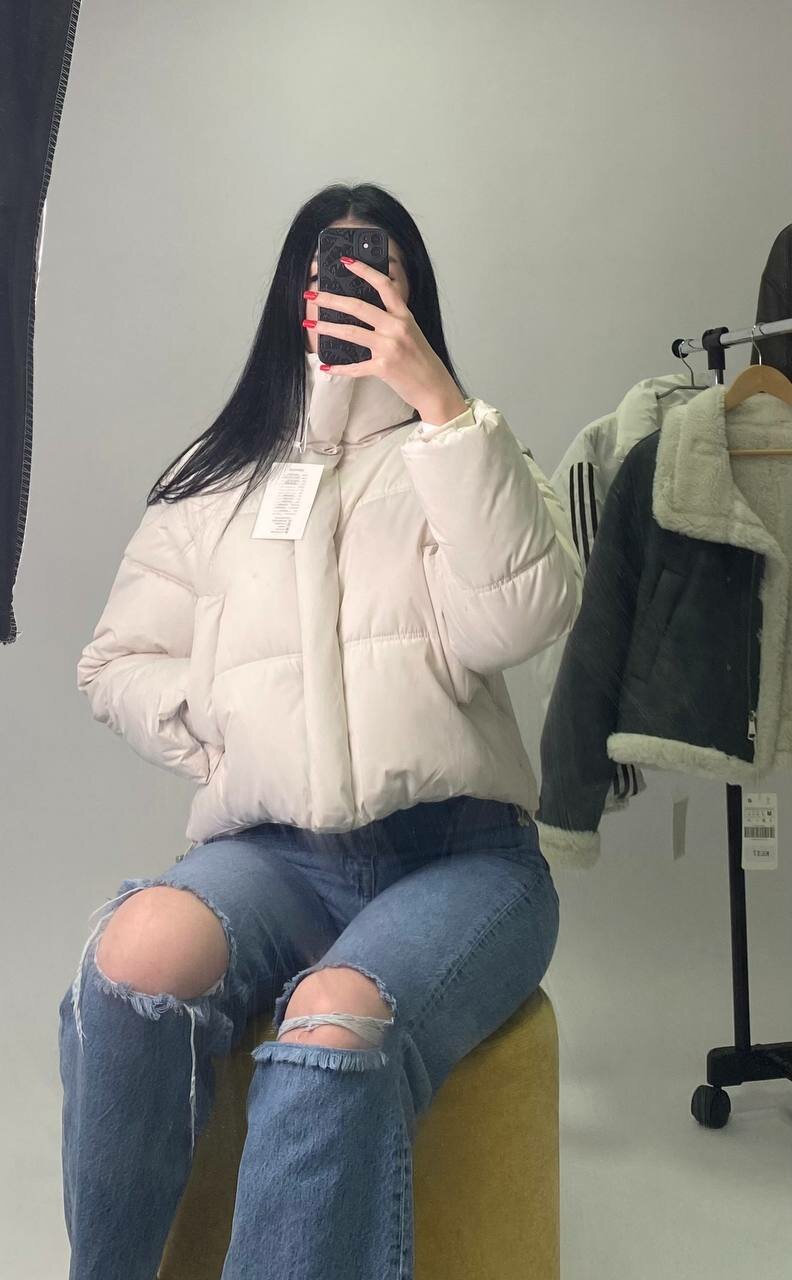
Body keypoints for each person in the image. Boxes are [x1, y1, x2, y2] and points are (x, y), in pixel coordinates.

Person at [57, 181, 582, 1280]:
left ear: (408, 294)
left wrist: (439, 405)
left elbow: (525, 614)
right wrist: (224, 724)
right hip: (273, 859)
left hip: (461, 857)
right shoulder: (214, 483)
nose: (345, 292)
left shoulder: (465, 453)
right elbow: (114, 661)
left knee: (333, 1025)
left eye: (374, 272)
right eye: (324, 272)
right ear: (292, 298)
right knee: (133, 955)